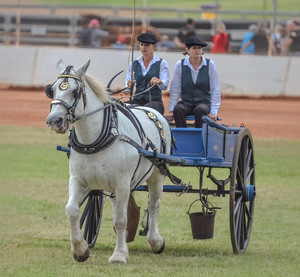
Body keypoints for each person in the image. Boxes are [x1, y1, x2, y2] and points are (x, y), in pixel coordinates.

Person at [165, 37, 221, 128]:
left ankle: (199, 137)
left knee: (200, 109)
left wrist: (214, 111)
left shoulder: (210, 64)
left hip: (204, 103)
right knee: (178, 109)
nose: (197, 50)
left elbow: (215, 89)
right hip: (186, 102)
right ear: (187, 50)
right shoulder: (180, 65)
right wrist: (171, 109)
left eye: (199, 48)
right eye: (194, 48)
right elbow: (175, 88)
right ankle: (182, 137)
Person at [125, 32, 169, 115]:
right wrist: (129, 85)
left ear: (154, 46)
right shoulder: (133, 64)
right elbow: (127, 89)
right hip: (136, 101)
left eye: (147, 45)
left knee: (145, 110)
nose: (144, 47)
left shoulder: (162, 63)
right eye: (141, 45)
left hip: (155, 102)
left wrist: (159, 81)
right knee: (121, 108)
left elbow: (165, 85)